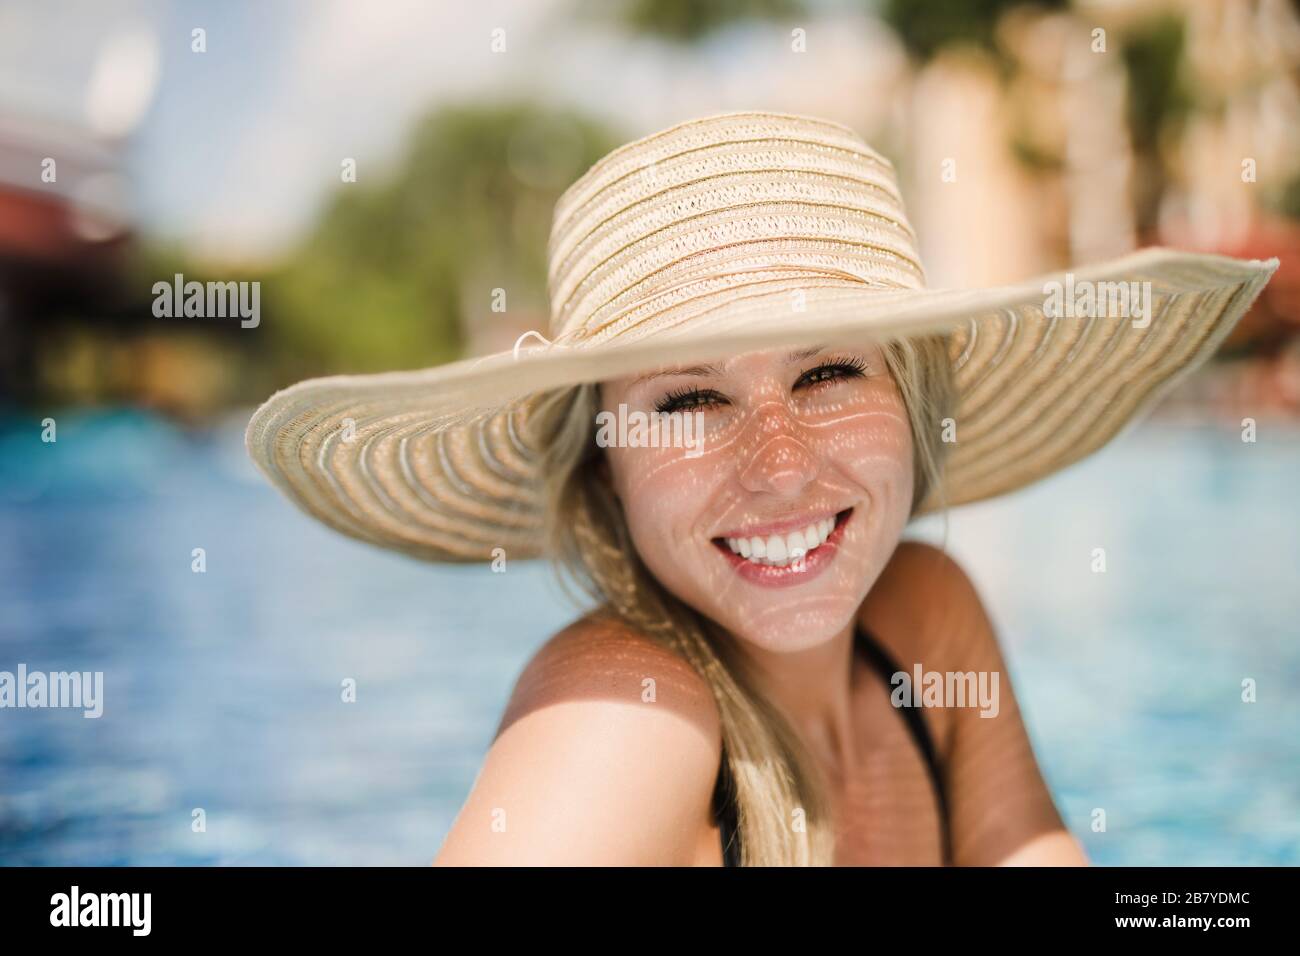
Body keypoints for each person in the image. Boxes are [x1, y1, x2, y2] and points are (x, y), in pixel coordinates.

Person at [245, 111, 1277, 865]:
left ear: (912, 403)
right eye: (689, 399)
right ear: (603, 460)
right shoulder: (624, 719)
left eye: (827, 374)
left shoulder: (927, 623)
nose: (779, 464)